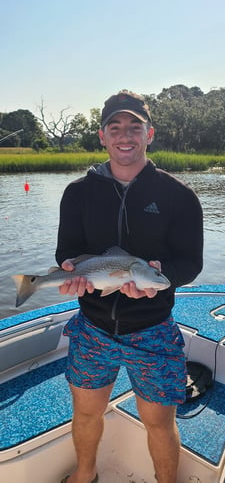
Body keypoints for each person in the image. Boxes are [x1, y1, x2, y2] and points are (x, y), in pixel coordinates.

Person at [56, 90, 203, 483]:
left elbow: (190, 263)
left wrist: (161, 274)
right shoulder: (76, 193)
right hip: (92, 328)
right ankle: (85, 476)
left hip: (153, 330)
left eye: (134, 127)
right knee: (86, 412)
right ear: (102, 136)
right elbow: (67, 252)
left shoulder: (180, 196)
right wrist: (69, 270)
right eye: (115, 127)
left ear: (149, 134)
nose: (125, 136)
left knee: (159, 423)